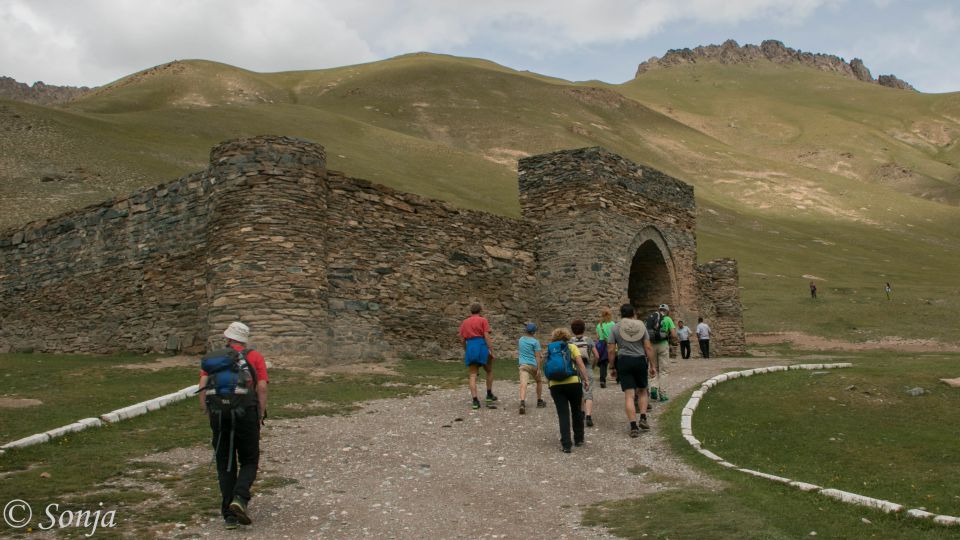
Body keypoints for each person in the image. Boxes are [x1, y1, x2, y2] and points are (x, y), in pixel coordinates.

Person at [199, 322, 269, 529]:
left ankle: (229, 516)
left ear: (228, 338)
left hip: (219, 415)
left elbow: (203, 386)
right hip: (246, 413)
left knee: (225, 463)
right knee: (249, 459)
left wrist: (207, 411)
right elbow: (262, 387)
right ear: (244, 339)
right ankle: (239, 498)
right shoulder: (254, 356)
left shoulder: (215, 358)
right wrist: (260, 413)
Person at [607, 304, 656, 437]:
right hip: (639, 360)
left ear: (621, 314)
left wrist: (612, 366)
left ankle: (633, 426)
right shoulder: (641, 326)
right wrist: (652, 365)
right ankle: (643, 417)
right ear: (633, 313)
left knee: (629, 395)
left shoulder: (615, 327)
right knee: (643, 391)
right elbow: (648, 347)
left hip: (624, 361)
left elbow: (611, 350)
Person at [546, 327, 590, 452]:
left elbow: (546, 366)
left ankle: (566, 444)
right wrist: (586, 379)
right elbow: (580, 364)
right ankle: (579, 439)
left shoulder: (550, 348)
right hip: (573, 382)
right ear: (567, 336)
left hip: (555, 384)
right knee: (576, 411)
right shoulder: (571, 347)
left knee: (563, 414)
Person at [458, 302, 497, 410]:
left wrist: (466, 350)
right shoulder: (483, 320)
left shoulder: (465, 322)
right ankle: (489, 395)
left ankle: (475, 401)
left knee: (473, 375)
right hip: (481, 346)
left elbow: (462, 339)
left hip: (470, 347)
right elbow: (486, 336)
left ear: (471, 311)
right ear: (480, 311)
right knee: (489, 370)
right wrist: (491, 350)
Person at [570, 320, 599, 427]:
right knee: (588, 392)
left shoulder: (570, 341)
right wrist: (593, 366)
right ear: (584, 328)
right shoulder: (589, 340)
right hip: (587, 367)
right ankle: (589, 416)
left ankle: (581, 413)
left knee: (579, 392)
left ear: (572, 330)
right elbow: (597, 356)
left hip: (574, 369)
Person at [517, 322, 546, 414]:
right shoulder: (535, 342)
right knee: (539, 381)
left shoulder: (521, 339)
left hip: (523, 365)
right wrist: (538, 368)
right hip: (532, 365)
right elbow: (537, 356)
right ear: (534, 332)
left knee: (523, 384)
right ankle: (539, 401)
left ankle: (522, 402)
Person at [649, 303, 676, 402]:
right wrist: (673, 339)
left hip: (652, 345)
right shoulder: (668, 319)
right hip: (663, 345)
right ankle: (663, 394)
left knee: (653, 367)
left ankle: (653, 388)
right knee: (663, 371)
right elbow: (673, 334)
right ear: (667, 311)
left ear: (659, 309)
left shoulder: (652, 318)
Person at [595, 309, 615, 388]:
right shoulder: (612, 324)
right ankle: (618, 378)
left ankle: (602, 380)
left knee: (603, 363)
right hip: (610, 343)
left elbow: (597, 337)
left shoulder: (599, 325)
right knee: (615, 359)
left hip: (601, 344)